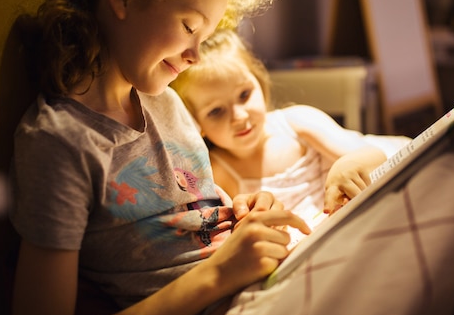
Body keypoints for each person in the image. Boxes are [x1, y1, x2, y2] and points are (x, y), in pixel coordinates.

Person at [8, 0, 309, 315]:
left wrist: (244, 210)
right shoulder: (59, 142)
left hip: (263, 284)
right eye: (189, 27)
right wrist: (220, 273)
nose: (195, 56)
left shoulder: (164, 101)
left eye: (204, 37)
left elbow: (191, 208)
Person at [170, 29, 409, 232]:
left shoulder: (295, 121)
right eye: (216, 111)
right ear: (195, 124)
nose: (240, 116)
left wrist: (347, 164)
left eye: (244, 95)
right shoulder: (218, 171)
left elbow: (374, 155)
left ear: (260, 83)